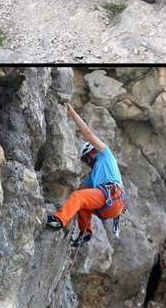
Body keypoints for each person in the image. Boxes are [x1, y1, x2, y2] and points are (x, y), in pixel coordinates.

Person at [46, 103, 125, 246]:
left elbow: (88, 133)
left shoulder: (105, 155)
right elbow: (80, 191)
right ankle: (86, 232)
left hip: (111, 196)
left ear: (93, 152)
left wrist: (73, 113)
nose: (86, 163)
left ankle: (58, 220)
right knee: (80, 199)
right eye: (84, 161)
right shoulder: (93, 176)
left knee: (78, 197)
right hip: (111, 206)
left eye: (86, 158)